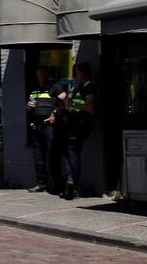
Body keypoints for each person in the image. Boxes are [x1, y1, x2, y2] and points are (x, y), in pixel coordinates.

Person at [60, 62, 97, 200]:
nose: (75, 75)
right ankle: (69, 180)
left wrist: (73, 104)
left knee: (72, 151)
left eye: (77, 72)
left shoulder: (89, 86)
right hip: (72, 124)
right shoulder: (78, 87)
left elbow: (90, 107)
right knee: (67, 152)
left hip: (80, 124)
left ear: (82, 73)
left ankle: (72, 182)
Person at [26, 65, 59, 192]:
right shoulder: (34, 90)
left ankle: (56, 184)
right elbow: (28, 107)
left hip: (50, 126)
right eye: (39, 74)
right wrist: (29, 105)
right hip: (37, 125)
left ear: (47, 75)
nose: (41, 77)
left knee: (52, 154)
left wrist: (54, 114)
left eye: (43, 74)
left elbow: (62, 103)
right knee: (38, 156)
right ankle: (41, 183)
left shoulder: (54, 87)